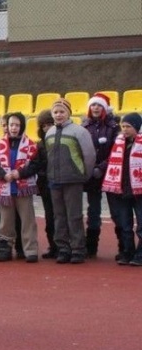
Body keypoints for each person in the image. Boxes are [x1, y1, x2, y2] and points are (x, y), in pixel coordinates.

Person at [45, 97, 96, 264]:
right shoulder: (50, 132)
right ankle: (63, 248)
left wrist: (84, 175)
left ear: (69, 113)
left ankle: (78, 249)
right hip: (55, 180)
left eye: (62, 112)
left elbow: (89, 156)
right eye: (56, 112)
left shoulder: (79, 131)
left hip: (73, 180)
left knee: (74, 215)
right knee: (59, 216)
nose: (59, 115)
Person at [0, 113, 39, 262]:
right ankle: (5, 250)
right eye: (11, 124)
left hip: (23, 188)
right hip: (5, 188)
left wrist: (20, 173)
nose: (13, 128)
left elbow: (35, 166)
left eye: (17, 125)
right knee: (5, 222)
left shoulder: (30, 145)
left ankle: (30, 250)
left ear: (22, 126)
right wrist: (2, 175)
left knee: (27, 220)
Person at [81, 92, 120, 257]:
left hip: (111, 174)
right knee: (93, 211)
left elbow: (116, 151)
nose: (95, 108)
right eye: (93, 105)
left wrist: (102, 167)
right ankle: (91, 247)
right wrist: (90, 168)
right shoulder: (85, 127)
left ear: (104, 108)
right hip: (91, 176)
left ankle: (124, 247)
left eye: (98, 105)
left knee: (116, 211)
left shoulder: (114, 128)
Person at [102, 112, 142, 265]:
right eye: (123, 126)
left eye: (128, 127)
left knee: (141, 225)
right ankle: (128, 252)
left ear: (137, 127)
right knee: (125, 225)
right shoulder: (118, 143)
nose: (124, 130)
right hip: (123, 190)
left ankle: (140, 254)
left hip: (139, 192)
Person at [29, 110, 58, 258]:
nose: (47, 128)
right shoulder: (40, 145)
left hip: (60, 184)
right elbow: (36, 165)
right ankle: (53, 246)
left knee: (62, 217)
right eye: (44, 125)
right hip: (46, 185)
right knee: (50, 217)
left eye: (50, 124)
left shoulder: (60, 141)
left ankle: (65, 246)